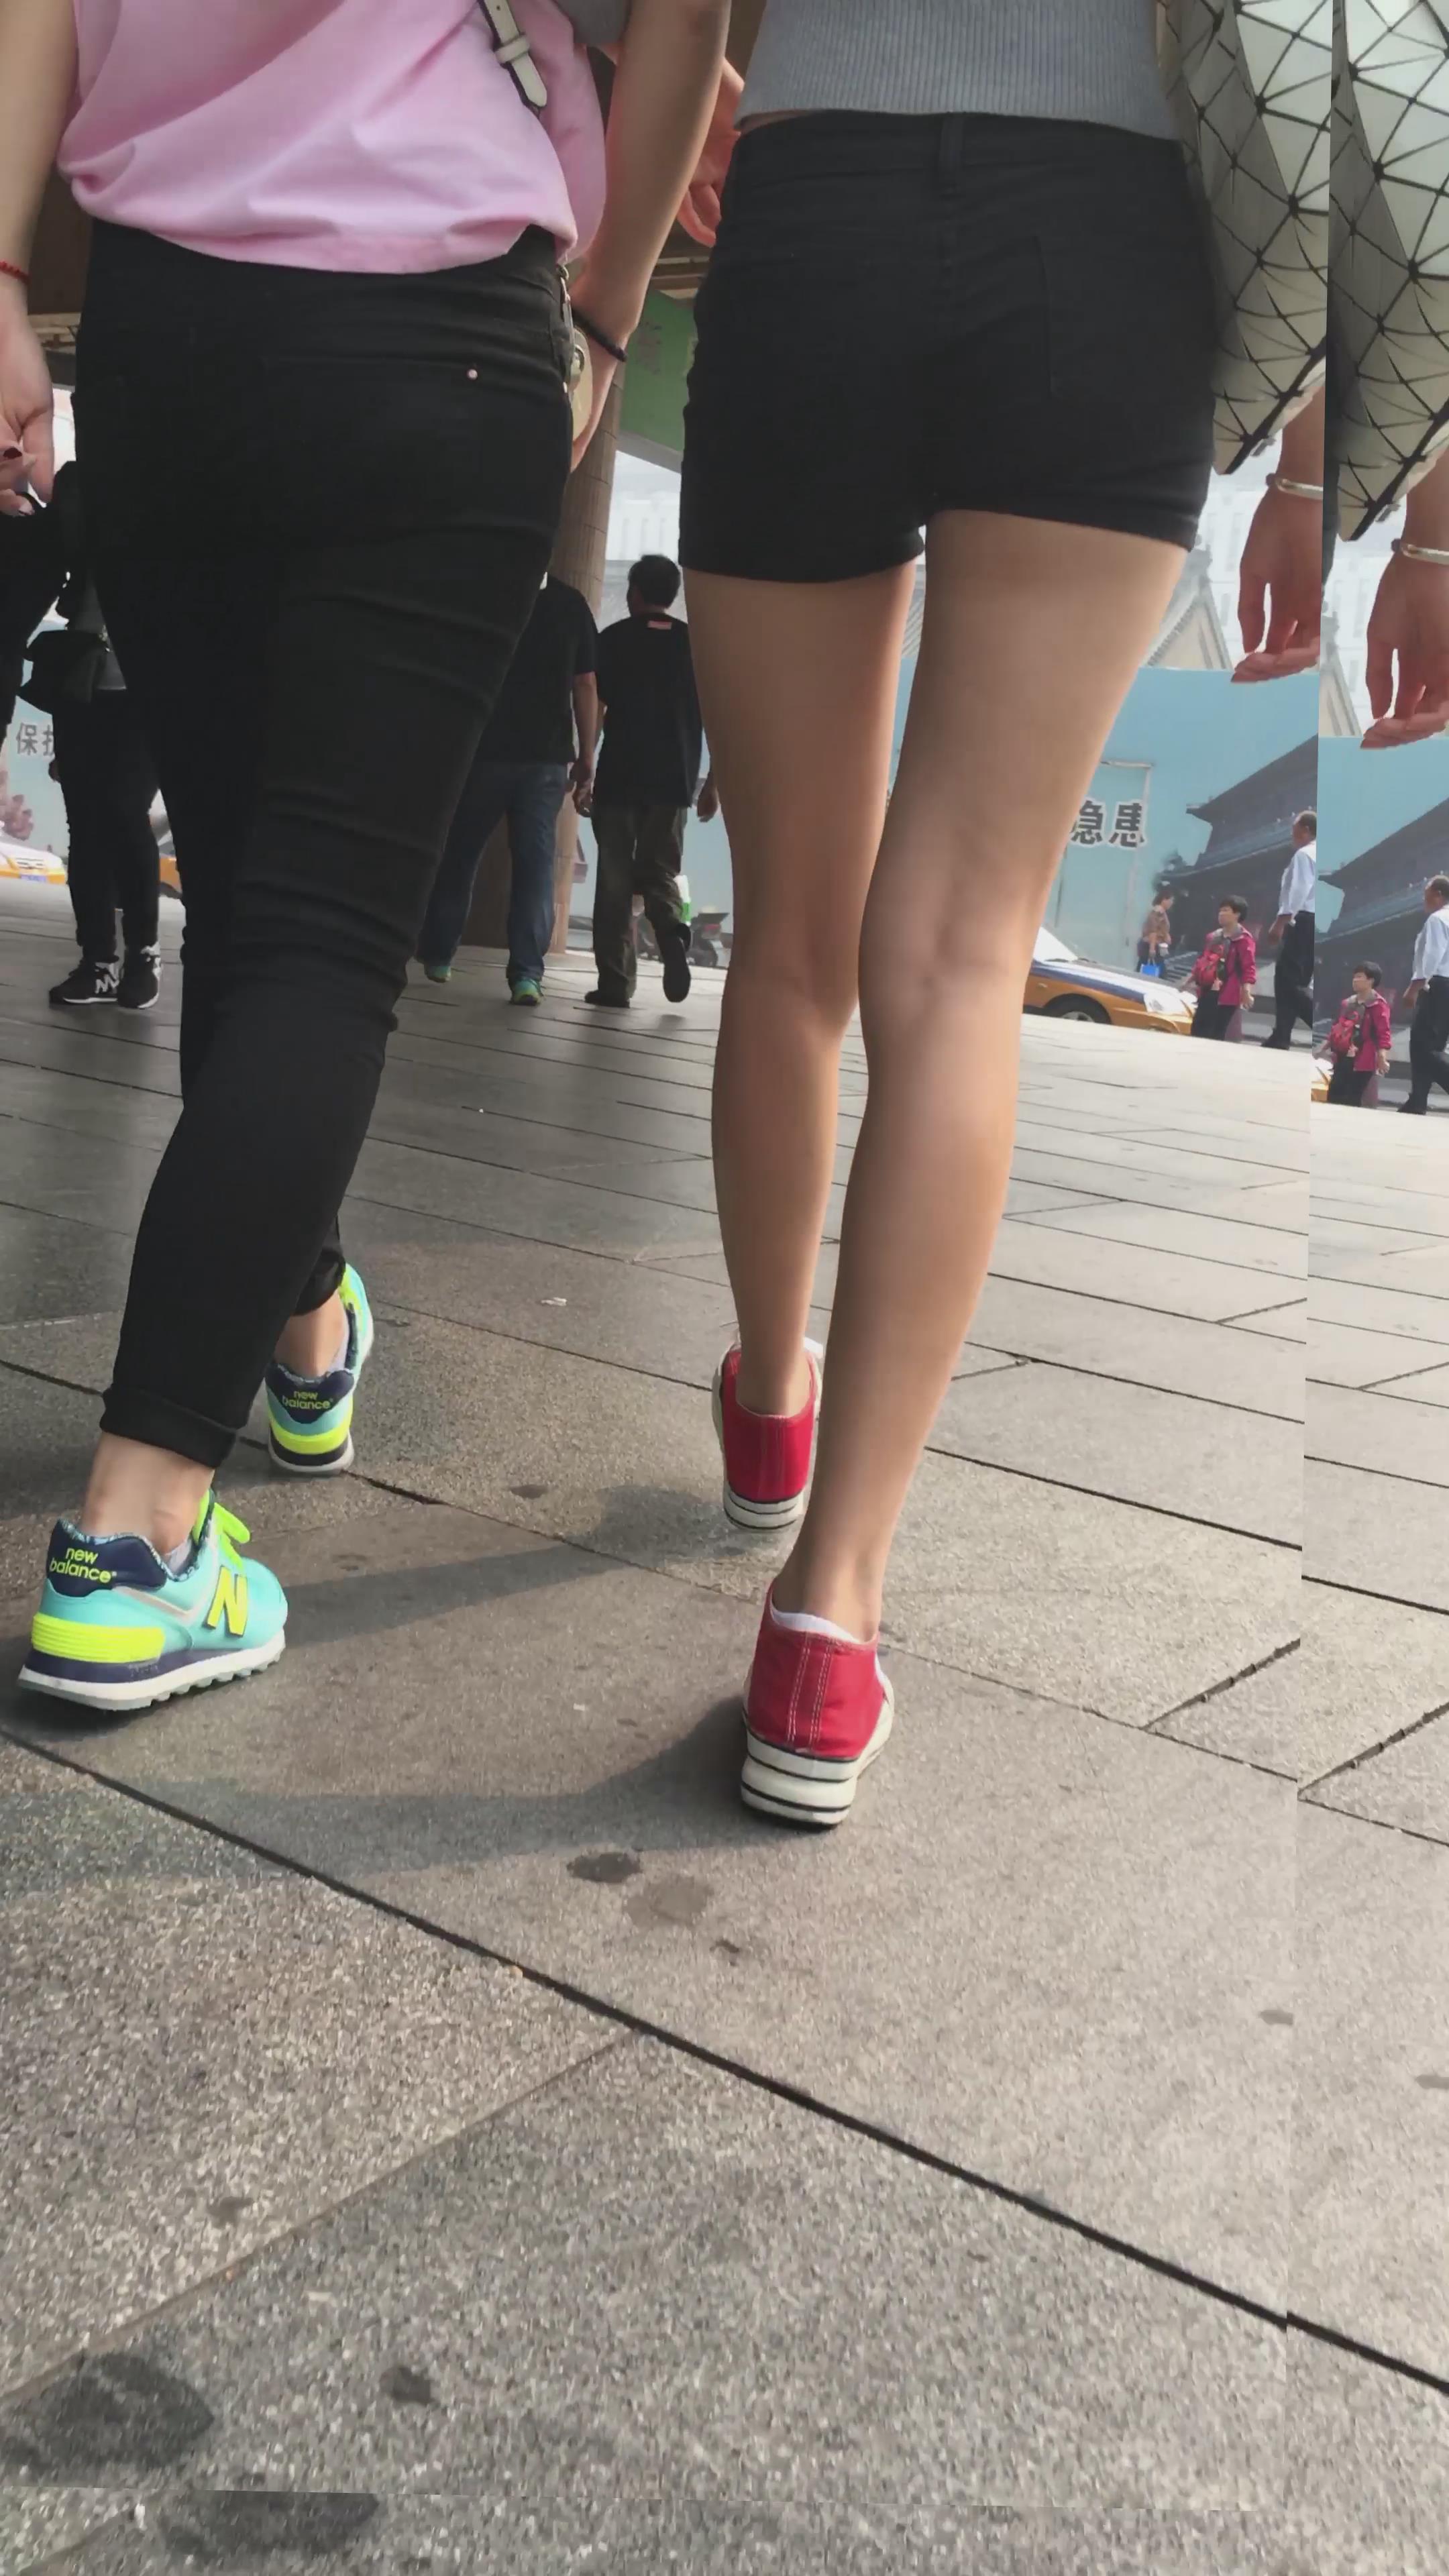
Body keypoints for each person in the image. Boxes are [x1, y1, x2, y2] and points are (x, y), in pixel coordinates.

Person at [1, 0, 729, 1712]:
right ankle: (137, 1540)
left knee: (251, 906)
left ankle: (307, 1321)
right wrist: (606, 312)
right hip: (442, 318)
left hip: (168, 325)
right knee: (319, 942)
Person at [678, 4, 1220, 1823]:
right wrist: (1382, 488)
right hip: (1110, 229)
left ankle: (770, 1401)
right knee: (963, 955)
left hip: (815, 197)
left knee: (789, 941)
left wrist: (606, 288)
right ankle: (825, 1618)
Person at [417, 571, 599, 1002]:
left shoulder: (483, 589)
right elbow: (586, 683)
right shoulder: (570, 605)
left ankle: (439, 954)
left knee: (461, 854)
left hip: (483, 752)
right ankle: (527, 975)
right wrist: (588, 755)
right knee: (535, 868)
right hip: (545, 759)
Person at [26, 466, 162, 1010]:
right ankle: (98, 961)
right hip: (82, 682)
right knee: (84, 824)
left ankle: (144, 952)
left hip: (146, 691)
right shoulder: (88, 490)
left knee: (126, 812)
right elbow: (63, 526)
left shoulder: (174, 501)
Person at [587, 553, 702, 1009]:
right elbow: (719, 714)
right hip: (674, 779)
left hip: (621, 775)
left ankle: (616, 984)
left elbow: (594, 705)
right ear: (672, 595)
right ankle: (670, 930)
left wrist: (585, 764)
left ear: (634, 591)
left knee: (615, 880)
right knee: (659, 871)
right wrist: (714, 783)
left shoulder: (613, 640)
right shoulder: (696, 645)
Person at [1260, 807, 1316, 1049]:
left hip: (1301, 921)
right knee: (1298, 980)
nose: (1292, 834)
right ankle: (1281, 1034)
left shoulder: (1305, 854)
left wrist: (1281, 922)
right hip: (1313, 925)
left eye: (1295, 829)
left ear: (1305, 830)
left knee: (1288, 982)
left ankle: (1326, 1029)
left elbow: (1299, 891)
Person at [1400, 875, 1449, 1115]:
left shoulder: (1439, 919)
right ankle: (1418, 1100)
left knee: (1423, 1047)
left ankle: (1418, 1099)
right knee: (1434, 1046)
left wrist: (1415, 987)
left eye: (1426, 893)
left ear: (1438, 894)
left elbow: (1433, 956)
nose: (1424, 898)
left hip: (1438, 985)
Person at [1325, 962, 1391, 1108]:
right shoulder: (1347, 1003)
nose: (1355, 980)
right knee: (1334, 1094)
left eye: (1360, 977)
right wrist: (1324, 1048)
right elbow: (1337, 1028)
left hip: (1363, 1060)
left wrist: (1382, 1057)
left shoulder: (1378, 1005)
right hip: (1342, 1057)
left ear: (1371, 981)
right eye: (1354, 977)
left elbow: (1383, 1033)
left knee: (1353, 1098)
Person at [1190, 900, 1257, 1040]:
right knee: (1198, 1029)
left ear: (1237, 914)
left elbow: (1248, 967)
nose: (1221, 914)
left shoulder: (1243, 940)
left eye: (1226, 910)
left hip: (1227, 994)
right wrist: (1190, 980)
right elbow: (1203, 960)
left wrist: (1246, 992)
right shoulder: (1213, 937)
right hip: (1207, 989)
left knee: (1216, 1032)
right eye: (1220, 910)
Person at [1136, 885, 1174, 975]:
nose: (1171, 903)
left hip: (1156, 947)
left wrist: (1167, 936)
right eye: (1170, 900)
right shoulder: (1157, 913)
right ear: (1164, 900)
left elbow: (1162, 929)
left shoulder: (1162, 913)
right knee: (1159, 973)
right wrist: (1152, 948)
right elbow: (1153, 931)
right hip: (1152, 946)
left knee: (1143, 969)